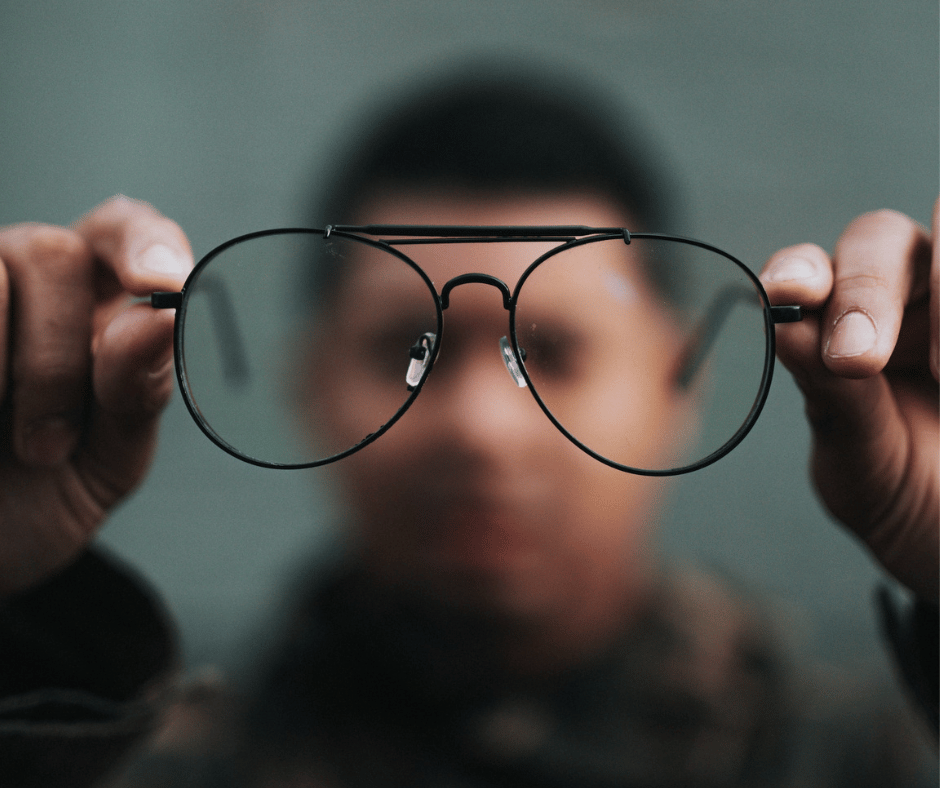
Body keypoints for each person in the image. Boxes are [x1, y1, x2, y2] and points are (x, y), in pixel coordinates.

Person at [0, 70, 936, 787]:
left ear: (678, 379)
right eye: (408, 346)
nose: (482, 428)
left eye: (555, 350)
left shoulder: (866, 755)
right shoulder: (129, 762)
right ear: (309, 382)